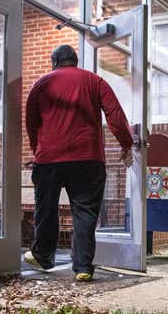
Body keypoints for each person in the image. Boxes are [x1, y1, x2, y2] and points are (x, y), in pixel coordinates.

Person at [24, 45, 134, 281]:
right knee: (85, 213)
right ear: (75, 61)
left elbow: (31, 123)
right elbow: (115, 114)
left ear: (54, 62)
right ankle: (83, 267)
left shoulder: (41, 84)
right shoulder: (95, 81)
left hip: (49, 160)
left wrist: (38, 151)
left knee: (46, 208)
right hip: (88, 158)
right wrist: (126, 144)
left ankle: (43, 256)